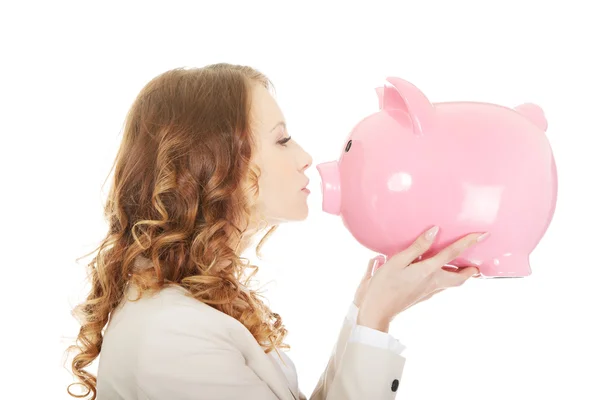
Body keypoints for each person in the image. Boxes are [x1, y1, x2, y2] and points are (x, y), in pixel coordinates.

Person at [66, 63, 487, 400]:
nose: (305, 157)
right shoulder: (172, 335)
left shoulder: (189, 308)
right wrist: (375, 320)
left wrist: (365, 311)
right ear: (215, 164)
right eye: (282, 139)